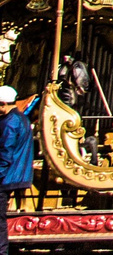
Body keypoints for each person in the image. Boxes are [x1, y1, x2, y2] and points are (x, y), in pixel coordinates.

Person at [0, 85, 39, 254]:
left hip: (6, 178)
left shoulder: (10, 123)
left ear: (3, 104)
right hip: (14, 176)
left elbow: (4, 155)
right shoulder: (21, 118)